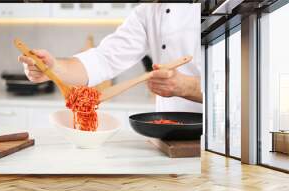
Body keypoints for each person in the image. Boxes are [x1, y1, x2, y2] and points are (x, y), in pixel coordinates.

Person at [18, 3, 202, 113]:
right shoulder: (148, 12)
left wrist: (190, 87)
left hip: (219, 130)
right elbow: (103, 59)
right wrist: (54, 68)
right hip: (167, 129)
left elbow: (231, 89)